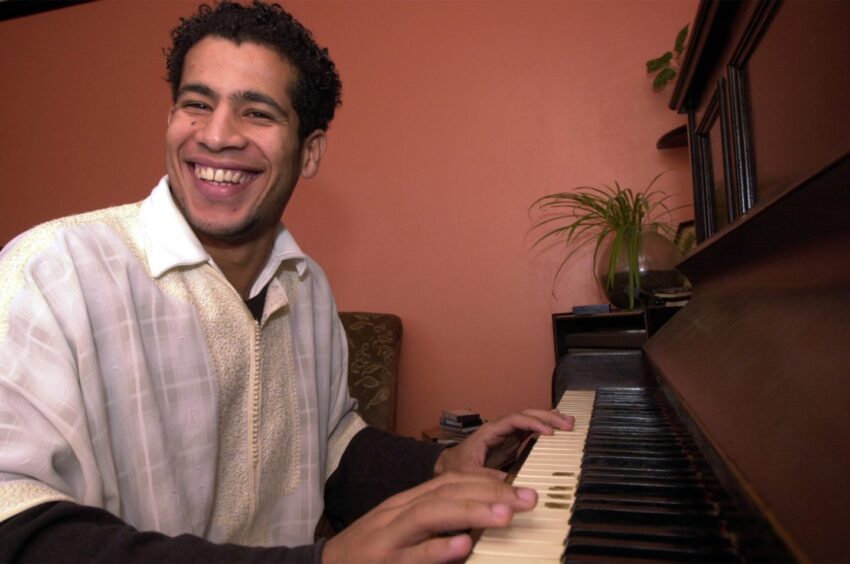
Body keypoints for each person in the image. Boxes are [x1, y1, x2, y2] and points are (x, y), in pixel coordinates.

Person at [0, 2, 574, 562]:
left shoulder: (307, 287)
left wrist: (442, 465)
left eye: (257, 112)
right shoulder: (52, 272)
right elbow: (14, 521)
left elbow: (327, 449)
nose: (217, 135)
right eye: (195, 103)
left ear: (311, 151)